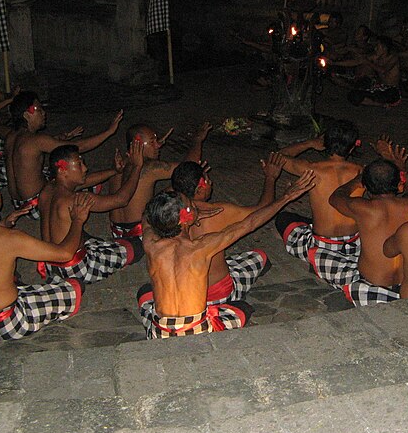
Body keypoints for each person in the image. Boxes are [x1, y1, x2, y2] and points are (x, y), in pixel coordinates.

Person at [136, 170, 315, 338]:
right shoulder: (201, 248)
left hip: (160, 332)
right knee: (242, 308)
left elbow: (146, 214)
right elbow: (249, 223)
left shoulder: (151, 244)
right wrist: (287, 196)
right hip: (197, 332)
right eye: (192, 206)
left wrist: (179, 204)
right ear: (187, 216)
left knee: (145, 293)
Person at [0, 173, 93, 341]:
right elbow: (65, 254)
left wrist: (3, 224)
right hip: (6, 325)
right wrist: (77, 220)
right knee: (75, 286)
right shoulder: (8, 238)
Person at [170, 154, 285, 303]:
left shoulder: (166, 211)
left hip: (183, 291)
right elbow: (262, 210)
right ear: (200, 189)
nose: (211, 182)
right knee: (259, 257)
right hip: (215, 294)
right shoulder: (218, 211)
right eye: (208, 180)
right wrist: (270, 177)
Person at [37, 142, 145, 283]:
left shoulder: (47, 190)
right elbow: (121, 200)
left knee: (90, 238)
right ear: (63, 171)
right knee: (137, 245)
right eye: (79, 164)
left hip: (51, 265)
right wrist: (137, 166)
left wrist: (114, 171)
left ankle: (104, 252)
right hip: (76, 269)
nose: (85, 168)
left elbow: (84, 181)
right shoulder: (74, 200)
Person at [4, 91, 121, 219]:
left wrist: (63, 137)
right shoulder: (36, 140)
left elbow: (35, 148)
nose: (44, 113)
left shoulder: (11, 137)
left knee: (51, 171)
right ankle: (114, 171)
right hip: (36, 206)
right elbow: (79, 147)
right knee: (70, 177)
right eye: (39, 109)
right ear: (27, 115)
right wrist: (108, 132)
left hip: (17, 204)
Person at [275, 120, 363, 289]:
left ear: (325, 144)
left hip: (323, 245)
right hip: (355, 244)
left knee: (284, 218)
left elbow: (276, 157)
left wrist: (309, 144)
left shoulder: (312, 169)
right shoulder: (360, 171)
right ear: (352, 148)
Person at [329, 153, 408, 306]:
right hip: (406, 282)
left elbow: (335, 198)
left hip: (370, 284)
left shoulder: (364, 208)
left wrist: (355, 182)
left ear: (365, 187)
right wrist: (403, 170)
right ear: (400, 184)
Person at [108, 121, 210, 242]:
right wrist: (197, 139)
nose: (158, 145)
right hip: (141, 234)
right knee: (187, 183)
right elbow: (188, 166)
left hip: (116, 230)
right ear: (138, 145)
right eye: (152, 142)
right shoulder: (149, 167)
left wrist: (152, 145)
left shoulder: (119, 162)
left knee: (174, 187)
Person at [343, 36, 402, 107]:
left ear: (384, 48)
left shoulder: (393, 58)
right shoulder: (376, 56)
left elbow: (383, 70)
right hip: (380, 87)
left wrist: (368, 62)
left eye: (377, 46)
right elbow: (358, 61)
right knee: (354, 95)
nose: (375, 48)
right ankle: (381, 104)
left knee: (375, 93)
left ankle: (383, 103)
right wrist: (334, 63)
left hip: (391, 90)